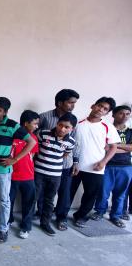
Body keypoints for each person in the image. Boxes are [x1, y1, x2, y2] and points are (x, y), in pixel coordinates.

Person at [0, 97, 37, 243]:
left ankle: (3, 229)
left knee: (5, 200)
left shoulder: (13, 126)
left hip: (3, 170)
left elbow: (31, 142)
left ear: (5, 112)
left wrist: (15, 159)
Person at [71, 97, 120, 227]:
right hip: (75, 165)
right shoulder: (78, 123)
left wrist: (103, 162)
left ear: (107, 113)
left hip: (95, 167)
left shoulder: (107, 127)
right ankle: (61, 215)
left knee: (90, 195)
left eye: (105, 109)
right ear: (93, 105)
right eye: (100, 106)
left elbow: (113, 146)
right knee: (67, 192)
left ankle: (81, 216)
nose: (101, 110)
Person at [37, 89, 80, 227]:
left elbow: (75, 142)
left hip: (64, 164)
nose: (73, 106)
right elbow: (35, 138)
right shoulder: (44, 117)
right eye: (70, 102)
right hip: (44, 163)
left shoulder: (73, 120)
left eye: (74, 103)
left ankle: (61, 218)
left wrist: (75, 161)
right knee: (41, 192)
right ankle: (43, 215)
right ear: (60, 103)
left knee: (64, 192)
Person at [35, 113, 77, 236]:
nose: (62, 129)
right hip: (38, 173)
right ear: (57, 123)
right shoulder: (43, 134)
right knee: (33, 197)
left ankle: (45, 223)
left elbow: (65, 154)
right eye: (60, 125)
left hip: (55, 175)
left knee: (49, 200)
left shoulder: (71, 142)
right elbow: (36, 150)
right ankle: (26, 223)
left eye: (66, 127)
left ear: (72, 129)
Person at [92, 105, 132, 228]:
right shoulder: (106, 129)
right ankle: (99, 211)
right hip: (107, 165)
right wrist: (123, 147)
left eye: (127, 114)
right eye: (121, 113)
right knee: (103, 191)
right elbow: (103, 147)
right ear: (113, 114)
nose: (124, 116)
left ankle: (116, 215)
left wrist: (114, 147)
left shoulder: (130, 131)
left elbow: (131, 148)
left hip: (125, 167)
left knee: (121, 193)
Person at [8, 110, 40, 239]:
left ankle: (25, 227)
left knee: (29, 203)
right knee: (8, 200)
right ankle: (8, 220)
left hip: (28, 177)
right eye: (35, 124)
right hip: (11, 176)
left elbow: (32, 156)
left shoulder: (33, 138)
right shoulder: (13, 136)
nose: (37, 126)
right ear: (26, 123)